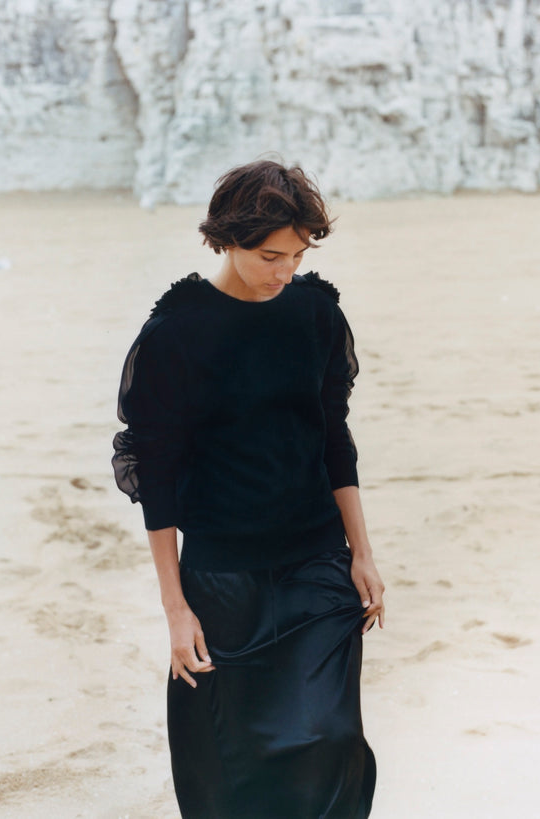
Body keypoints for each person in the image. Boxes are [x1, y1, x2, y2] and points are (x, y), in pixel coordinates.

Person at [112, 159, 384, 818]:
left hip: (316, 565)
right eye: (269, 255)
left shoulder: (315, 313)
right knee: (238, 761)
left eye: (295, 255)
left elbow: (333, 440)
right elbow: (159, 478)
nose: (284, 270)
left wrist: (361, 551)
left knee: (333, 738)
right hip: (224, 577)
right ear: (225, 239)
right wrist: (175, 607)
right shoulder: (176, 333)